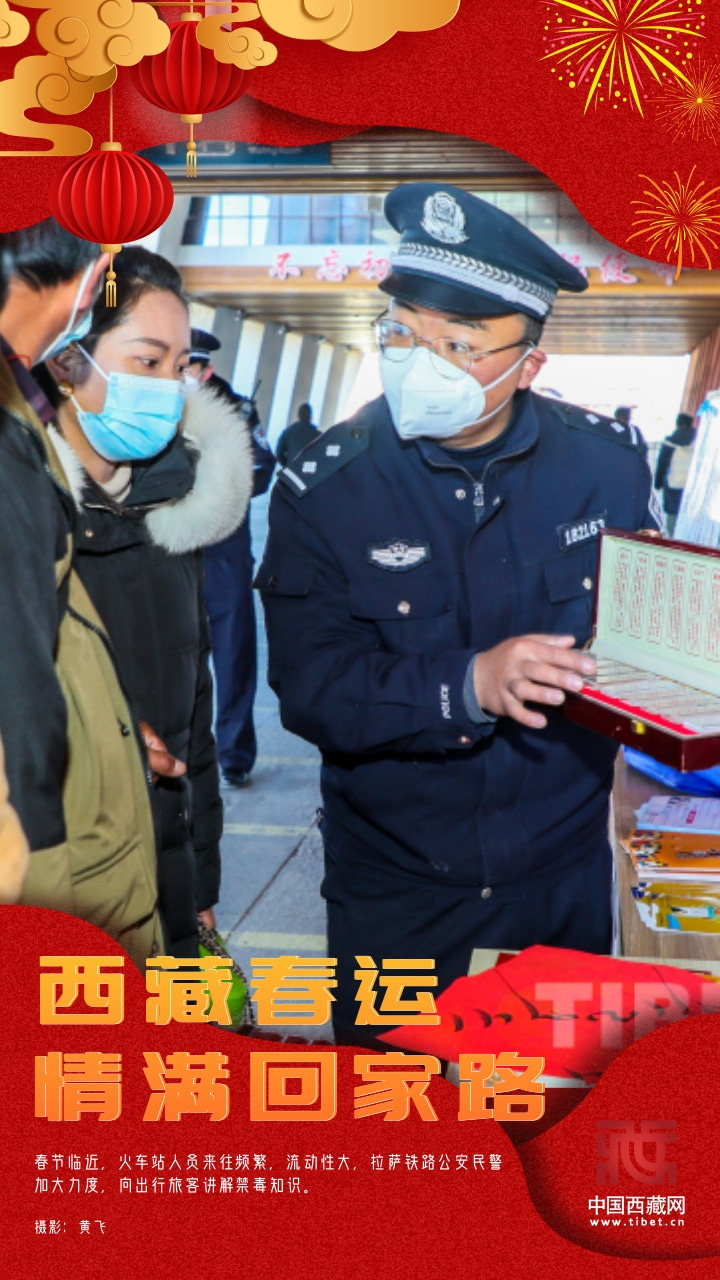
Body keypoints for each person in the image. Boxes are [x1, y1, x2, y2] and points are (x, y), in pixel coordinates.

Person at [257, 183, 660, 1044]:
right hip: (399, 891)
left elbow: (642, 636)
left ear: (528, 365)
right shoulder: (327, 488)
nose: (420, 361)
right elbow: (312, 686)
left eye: (459, 344)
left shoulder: (607, 469)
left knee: (550, 1106)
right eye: (402, 332)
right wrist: (467, 685)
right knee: (396, 1113)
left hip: (559, 882)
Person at [40, 249, 253, 957]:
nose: (170, 387)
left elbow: (195, 719)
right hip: (65, 895)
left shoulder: (174, 511)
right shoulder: (28, 523)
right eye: (148, 361)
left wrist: (202, 889)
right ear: (67, 361)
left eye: (180, 365)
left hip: (168, 889)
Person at [0, 219, 164, 967]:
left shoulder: (17, 403)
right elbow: (18, 700)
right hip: (53, 875)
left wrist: (110, 733)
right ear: (95, 274)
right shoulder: (7, 441)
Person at [187, 329, 276, 787]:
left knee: (233, 653)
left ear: (206, 370)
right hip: (171, 547)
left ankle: (235, 754)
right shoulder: (156, 406)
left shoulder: (237, 410)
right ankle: (178, 748)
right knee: (174, 654)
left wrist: (222, 481)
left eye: (188, 366)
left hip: (224, 549)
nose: (180, 375)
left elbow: (264, 466)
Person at [654, 411, 696, 535]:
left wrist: (658, 483)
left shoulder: (670, 442)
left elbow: (662, 464)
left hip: (673, 482)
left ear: (677, 424)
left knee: (672, 514)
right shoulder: (698, 441)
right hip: (691, 485)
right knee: (689, 514)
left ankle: (673, 538)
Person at [276, 402, 320, 467]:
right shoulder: (319, 435)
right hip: (311, 470)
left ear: (298, 416)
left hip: (292, 469)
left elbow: (279, 454)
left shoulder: (287, 432)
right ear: (310, 417)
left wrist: (288, 465)